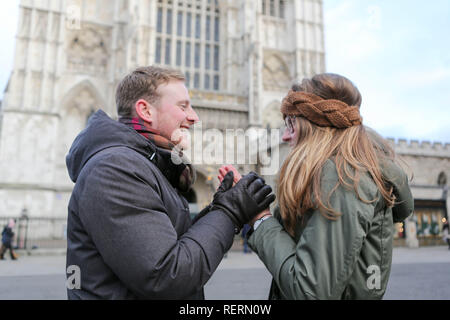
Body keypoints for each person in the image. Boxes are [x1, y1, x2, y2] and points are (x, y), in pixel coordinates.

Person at [65, 66, 275, 299]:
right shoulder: (115, 169)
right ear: (145, 110)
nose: (195, 117)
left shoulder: (146, 164)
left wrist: (219, 207)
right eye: (183, 106)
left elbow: (175, 245)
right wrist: (230, 211)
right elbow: (167, 276)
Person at [218, 73, 414, 300]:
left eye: (291, 123)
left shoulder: (342, 178)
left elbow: (310, 291)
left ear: (315, 126)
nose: (284, 136)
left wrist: (260, 219)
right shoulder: (343, 174)